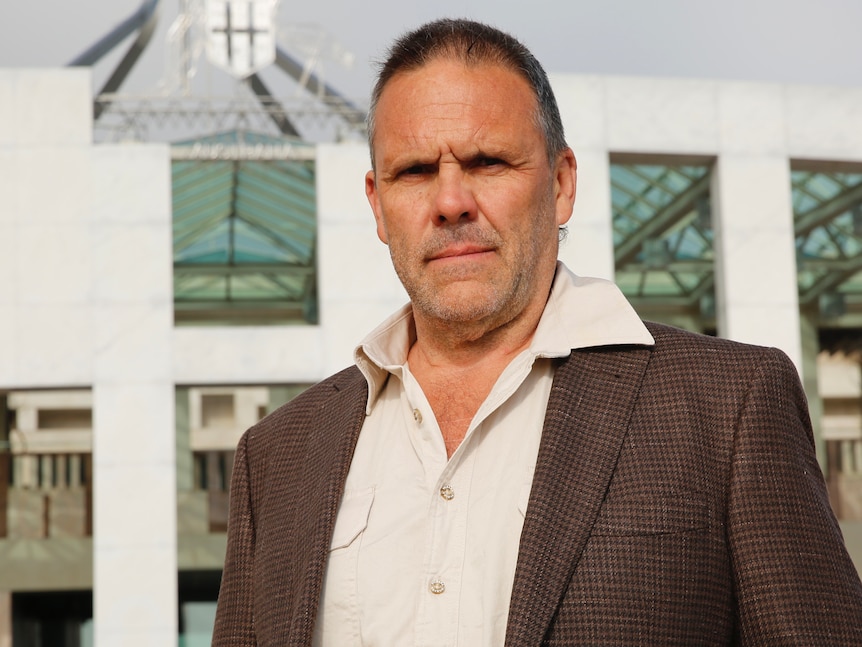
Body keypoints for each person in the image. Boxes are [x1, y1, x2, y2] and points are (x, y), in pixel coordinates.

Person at [212, 18, 862, 646]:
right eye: (413, 171)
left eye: (488, 160)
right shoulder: (276, 456)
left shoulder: (727, 405)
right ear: (378, 205)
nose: (450, 201)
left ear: (561, 182)